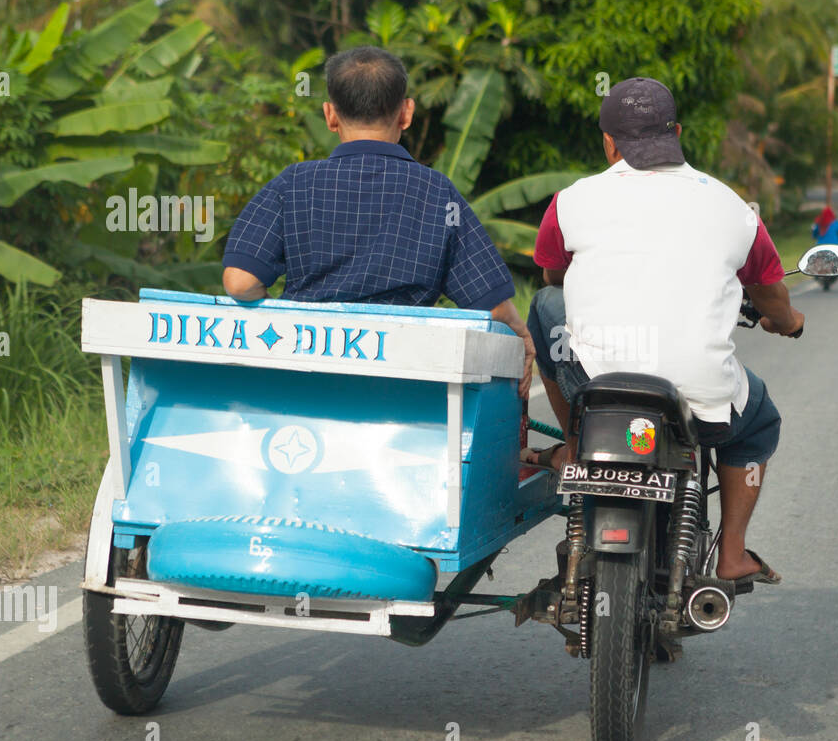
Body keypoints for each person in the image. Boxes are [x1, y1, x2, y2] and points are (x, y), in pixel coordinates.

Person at [525, 77, 804, 586]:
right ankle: (734, 553)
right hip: (702, 406)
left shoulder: (570, 202)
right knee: (760, 421)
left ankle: (573, 440)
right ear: (676, 132)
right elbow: (773, 299)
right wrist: (788, 323)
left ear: (607, 141)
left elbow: (552, 279)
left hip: (598, 390)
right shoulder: (735, 210)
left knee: (545, 305)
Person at [220, 46, 535, 396]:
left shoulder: (293, 182)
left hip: (306, 381)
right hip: (403, 387)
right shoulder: (437, 191)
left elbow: (239, 282)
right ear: (406, 112)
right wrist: (522, 334)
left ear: (330, 115)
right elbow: (491, 306)